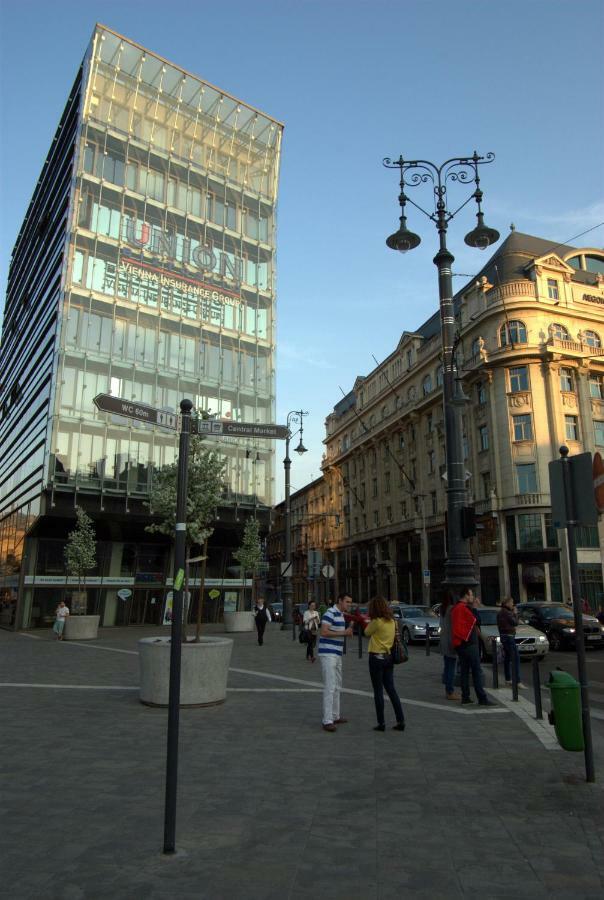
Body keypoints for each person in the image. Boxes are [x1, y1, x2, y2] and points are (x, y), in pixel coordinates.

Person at [364, 596, 405, 732]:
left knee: (378, 691)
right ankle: (401, 720)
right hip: (389, 658)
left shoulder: (377, 621)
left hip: (376, 657)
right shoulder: (392, 621)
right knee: (391, 689)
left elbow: (366, 632)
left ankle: (381, 723)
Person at [451, 586, 495, 706]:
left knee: (465, 671)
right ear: (466, 595)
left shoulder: (456, 608)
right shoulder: (464, 608)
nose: (473, 597)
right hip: (469, 643)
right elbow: (476, 620)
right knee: (476, 671)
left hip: (461, 644)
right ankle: (482, 698)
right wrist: (475, 608)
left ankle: (466, 697)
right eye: (471, 595)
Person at [318, 593, 353, 732]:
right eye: (347, 602)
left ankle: (335, 715)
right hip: (328, 653)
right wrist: (344, 633)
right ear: (340, 601)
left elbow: (338, 633)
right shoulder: (330, 613)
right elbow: (324, 632)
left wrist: (347, 632)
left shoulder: (341, 615)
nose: (349, 604)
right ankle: (327, 720)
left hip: (336, 654)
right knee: (330, 686)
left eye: (350, 602)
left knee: (337, 685)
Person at [497, 597, 525, 688]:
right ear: (507, 603)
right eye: (511, 602)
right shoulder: (507, 612)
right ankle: (517, 681)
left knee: (508, 658)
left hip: (504, 636)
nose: (513, 604)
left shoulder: (501, 612)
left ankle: (508, 679)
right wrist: (515, 614)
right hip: (509, 637)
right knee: (515, 658)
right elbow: (514, 623)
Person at [439, 594, 460, 701]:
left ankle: (448, 690)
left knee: (447, 666)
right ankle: (450, 691)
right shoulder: (451, 609)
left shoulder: (442, 609)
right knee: (451, 667)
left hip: (443, 640)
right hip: (450, 641)